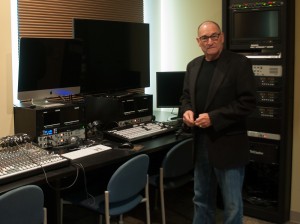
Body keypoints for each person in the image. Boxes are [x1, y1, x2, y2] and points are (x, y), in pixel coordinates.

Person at [180, 21, 257, 224]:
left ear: (222, 37)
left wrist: (214, 118)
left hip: (228, 144)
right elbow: (186, 97)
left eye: (214, 36)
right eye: (205, 38)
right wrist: (187, 110)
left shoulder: (239, 63)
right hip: (201, 143)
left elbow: (248, 103)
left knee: (232, 204)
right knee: (201, 199)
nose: (210, 41)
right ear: (198, 42)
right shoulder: (193, 65)